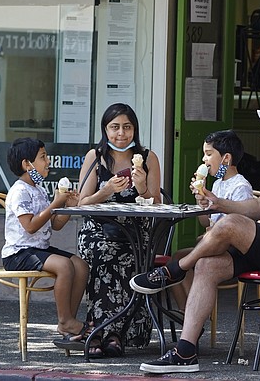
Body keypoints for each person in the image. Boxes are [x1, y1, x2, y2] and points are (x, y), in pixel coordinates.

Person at [130, 98, 260, 374]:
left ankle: (175, 269)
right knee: (208, 264)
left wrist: (240, 232)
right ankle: (185, 351)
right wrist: (217, 203)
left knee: (231, 226)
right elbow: (259, 207)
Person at [76, 103, 162, 358]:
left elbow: (157, 203)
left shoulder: (147, 158)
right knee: (104, 251)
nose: (121, 133)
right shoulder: (96, 156)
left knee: (122, 253)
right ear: (105, 130)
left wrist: (143, 186)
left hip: (134, 232)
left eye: (127, 127)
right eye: (115, 127)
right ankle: (109, 333)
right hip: (97, 231)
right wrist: (106, 191)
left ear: (135, 129)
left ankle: (102, 330)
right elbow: (82, 202)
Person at [1, 137, 89, 347]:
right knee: (64, 265)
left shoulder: (39, 189)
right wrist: (55, 204)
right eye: (43, 157)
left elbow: (56, 225)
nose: (48, 161)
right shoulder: (19, 191)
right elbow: (30, 226)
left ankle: (68, 322)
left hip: (38, 249)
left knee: (81, 266)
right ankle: (65, 320)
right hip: (18, 254)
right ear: (27, 164)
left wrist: (68, 206)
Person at [167, 130, 257, 310]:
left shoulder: (240, 186)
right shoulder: (217, 183)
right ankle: (189, 315)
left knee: (185, 262)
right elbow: (206, 223)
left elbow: (241, 225)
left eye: (208, 154)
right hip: (213, 244)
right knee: (175, 259)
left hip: (231, 250)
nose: (203, 160)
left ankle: (194, 314)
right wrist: (201, 202)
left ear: (226, 159)